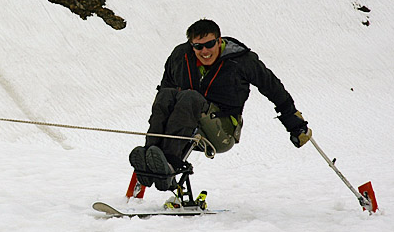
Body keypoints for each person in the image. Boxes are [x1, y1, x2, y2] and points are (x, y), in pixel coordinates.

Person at [129, 18, 312, 192]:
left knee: (190, 97)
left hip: (222, 131)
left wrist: (294, 124)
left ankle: (169, 164)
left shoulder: (241, 60)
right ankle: (150, 159)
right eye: (198, 47)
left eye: (210, 44)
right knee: (166, 94)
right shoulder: (180, 56)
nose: (205, 51)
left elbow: (272, 87)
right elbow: (166, 91)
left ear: (219, 41)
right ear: (191, 45)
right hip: (186, 125)